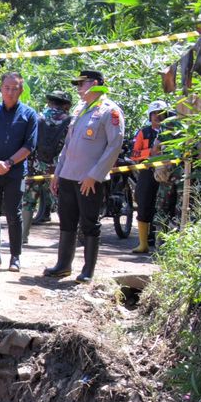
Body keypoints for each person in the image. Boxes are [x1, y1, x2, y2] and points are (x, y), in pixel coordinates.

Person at [44, 69, 123, 282]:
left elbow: (114, 146)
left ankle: (88, 271)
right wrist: (58, 173)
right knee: (66, 221)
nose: (78, 89)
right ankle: (63, 266)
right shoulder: (80, 109)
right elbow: (68, 145)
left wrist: (95, 175)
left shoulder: (110, 111)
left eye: (81, 84)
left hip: (89, 180)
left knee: (89, 223)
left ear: (95, 84)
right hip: (68, 175)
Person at [0, 71, 39, 272]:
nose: (10, 92)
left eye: (14, 88)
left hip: (15, 173)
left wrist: (9, 163)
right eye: (7, 88)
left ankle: (15, 256)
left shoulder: (29, 114)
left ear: (21, 90)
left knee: (14, 213)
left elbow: (29, 145)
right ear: (1, 89)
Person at [24, 89, 73, 227]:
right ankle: (67, 235)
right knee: (62, 200)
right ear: (66, 105)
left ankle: (23, 234)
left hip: (35, 165)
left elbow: (28, 142)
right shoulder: (70, 120)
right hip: (58, 168)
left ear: (49, 102)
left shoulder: (36, 117)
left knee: (28, 201)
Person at [130, 100, 171, 253]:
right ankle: (143, 244)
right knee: (143, 202)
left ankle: (162, 242)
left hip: (167, 172)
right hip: (147, 171)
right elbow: (134, 154)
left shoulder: (172, 131)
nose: (157, 116)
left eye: (160, 113)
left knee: (164, 205)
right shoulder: (144, 132)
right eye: (154, 113)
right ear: (150, 115)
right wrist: (150, 153)